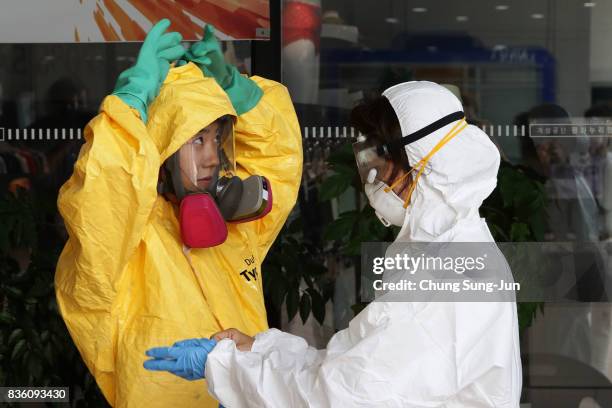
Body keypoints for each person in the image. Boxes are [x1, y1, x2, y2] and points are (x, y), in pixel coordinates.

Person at [145, 81, 522, 407]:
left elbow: (342, 396)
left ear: (422, 164)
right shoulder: (442, 252)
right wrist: (254, 349)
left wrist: (226, 365)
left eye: (379, 160)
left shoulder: (454, 278)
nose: (370, 177)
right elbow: (347, 362)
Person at [54, 19, 302, 407]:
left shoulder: (232, 229)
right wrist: (130, 104)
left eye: (218, 139)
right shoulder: (128, 243)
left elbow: (278, 160)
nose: (210, 157)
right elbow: (103, 201)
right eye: (197, 139)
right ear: (163, 147)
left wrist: (241, 93)